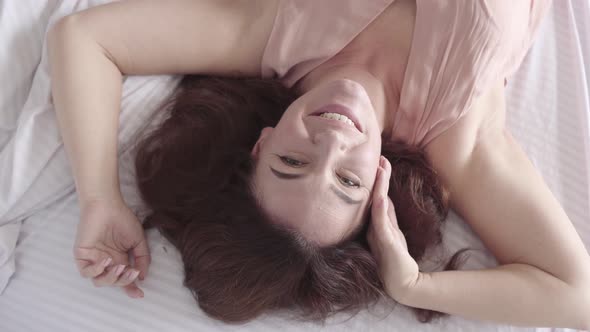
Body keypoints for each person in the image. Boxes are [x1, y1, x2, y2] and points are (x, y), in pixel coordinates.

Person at [46, 0, 590, 329]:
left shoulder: (274, 38)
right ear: (379, 186)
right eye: (348, 180)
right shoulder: (458, 136)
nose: (331, 140)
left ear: (260, 144)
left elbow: (84, 38)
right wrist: (413, 286)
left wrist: (99, 198)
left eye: (291, 161)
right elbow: (576, 296)